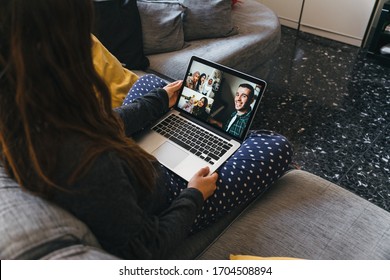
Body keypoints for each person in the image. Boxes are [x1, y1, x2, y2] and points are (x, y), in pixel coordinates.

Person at [0, 0, 293, 260]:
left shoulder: (28, 114)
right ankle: (224, 150)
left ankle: (194, 131)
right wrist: (194, 194)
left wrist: (159, 100)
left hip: (131, 165)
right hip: (169, 190)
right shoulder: (88, 164)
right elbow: (146, 248)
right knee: (274, 145)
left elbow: (99, 126)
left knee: (151, 86)